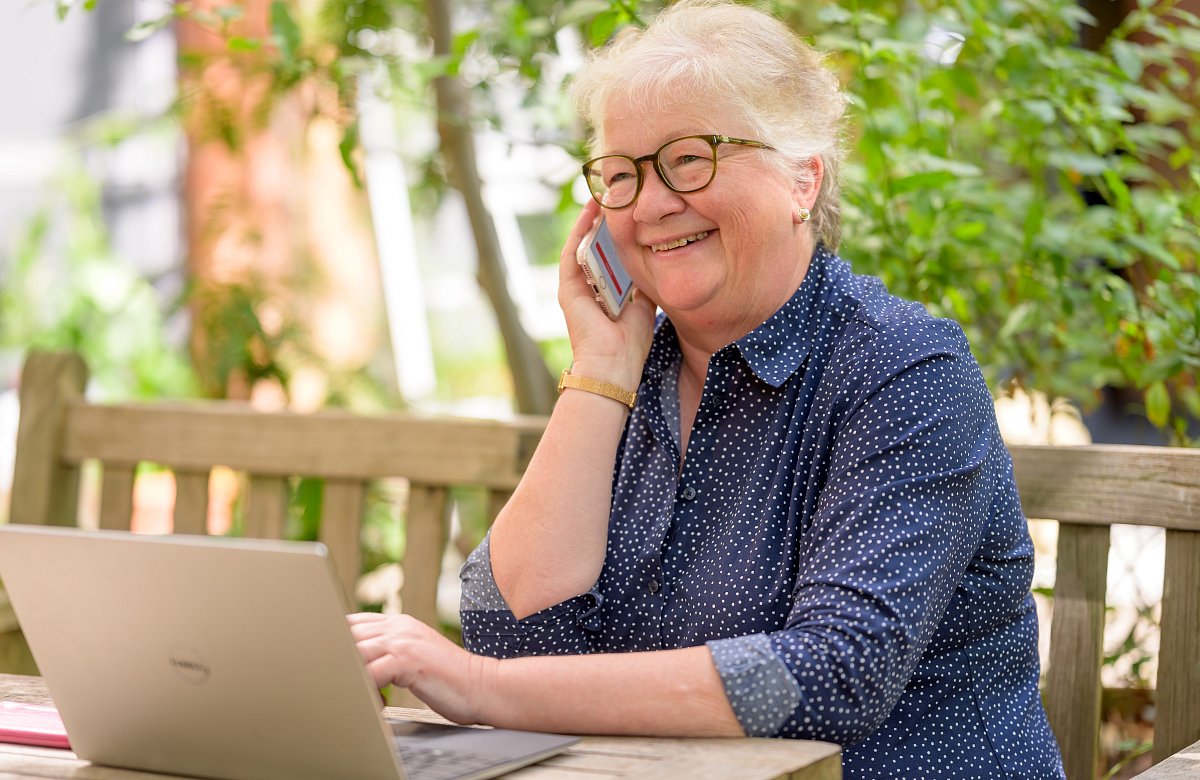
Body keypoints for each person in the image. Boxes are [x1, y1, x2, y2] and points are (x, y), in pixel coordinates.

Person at [349, 1, 1065, 776]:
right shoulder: (635, 376)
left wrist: (483, 690)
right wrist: (602, 369)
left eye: (690, 159)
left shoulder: (904, 369)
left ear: (802, 178)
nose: (653, 204)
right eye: (621, 176)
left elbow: (833, 673)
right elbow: (512, 626)